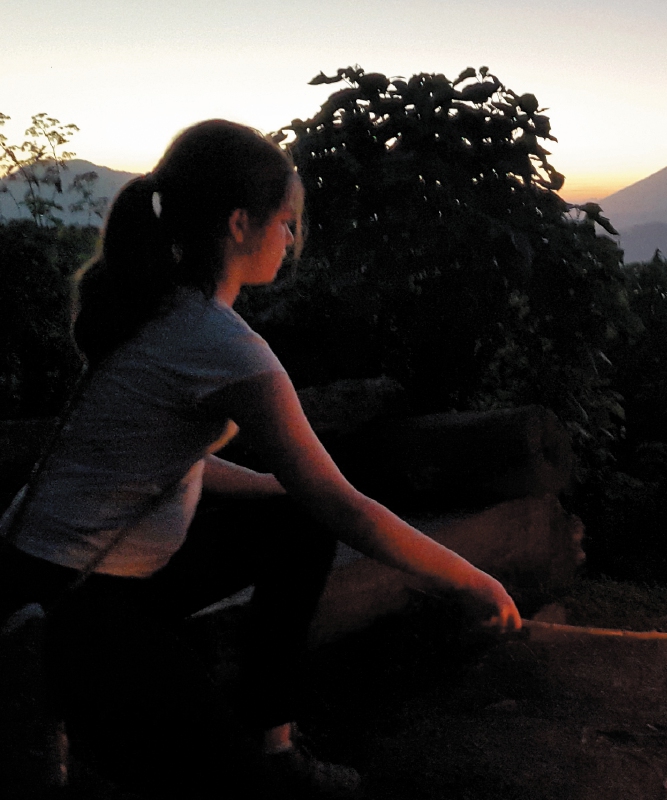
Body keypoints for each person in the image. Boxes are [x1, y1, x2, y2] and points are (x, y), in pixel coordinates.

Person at [0, 119, 521, 798]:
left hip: (42, 567)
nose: (292, 238)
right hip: (73, 603)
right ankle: (220, 751)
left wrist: (280, 488)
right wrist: (471, 579)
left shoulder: (158, 311)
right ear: (241, 224)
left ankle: (271, 739)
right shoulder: (220, 342)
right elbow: (344, 506)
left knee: (293, 518)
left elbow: (162, 462)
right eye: (286, 222)